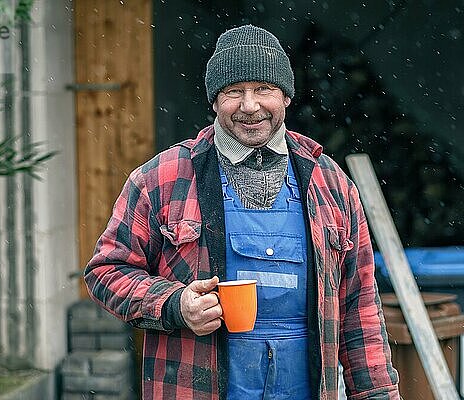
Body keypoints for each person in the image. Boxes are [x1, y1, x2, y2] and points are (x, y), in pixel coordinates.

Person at [84, 24, 400, 400]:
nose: (249, 106)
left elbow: (360, 303)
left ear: (285, 96)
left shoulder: (329, 182)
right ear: (215, 101)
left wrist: (378, 394)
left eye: (263, 89)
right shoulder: (161, 179)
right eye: (234, 92)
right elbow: (106, 272)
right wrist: (174, 304)